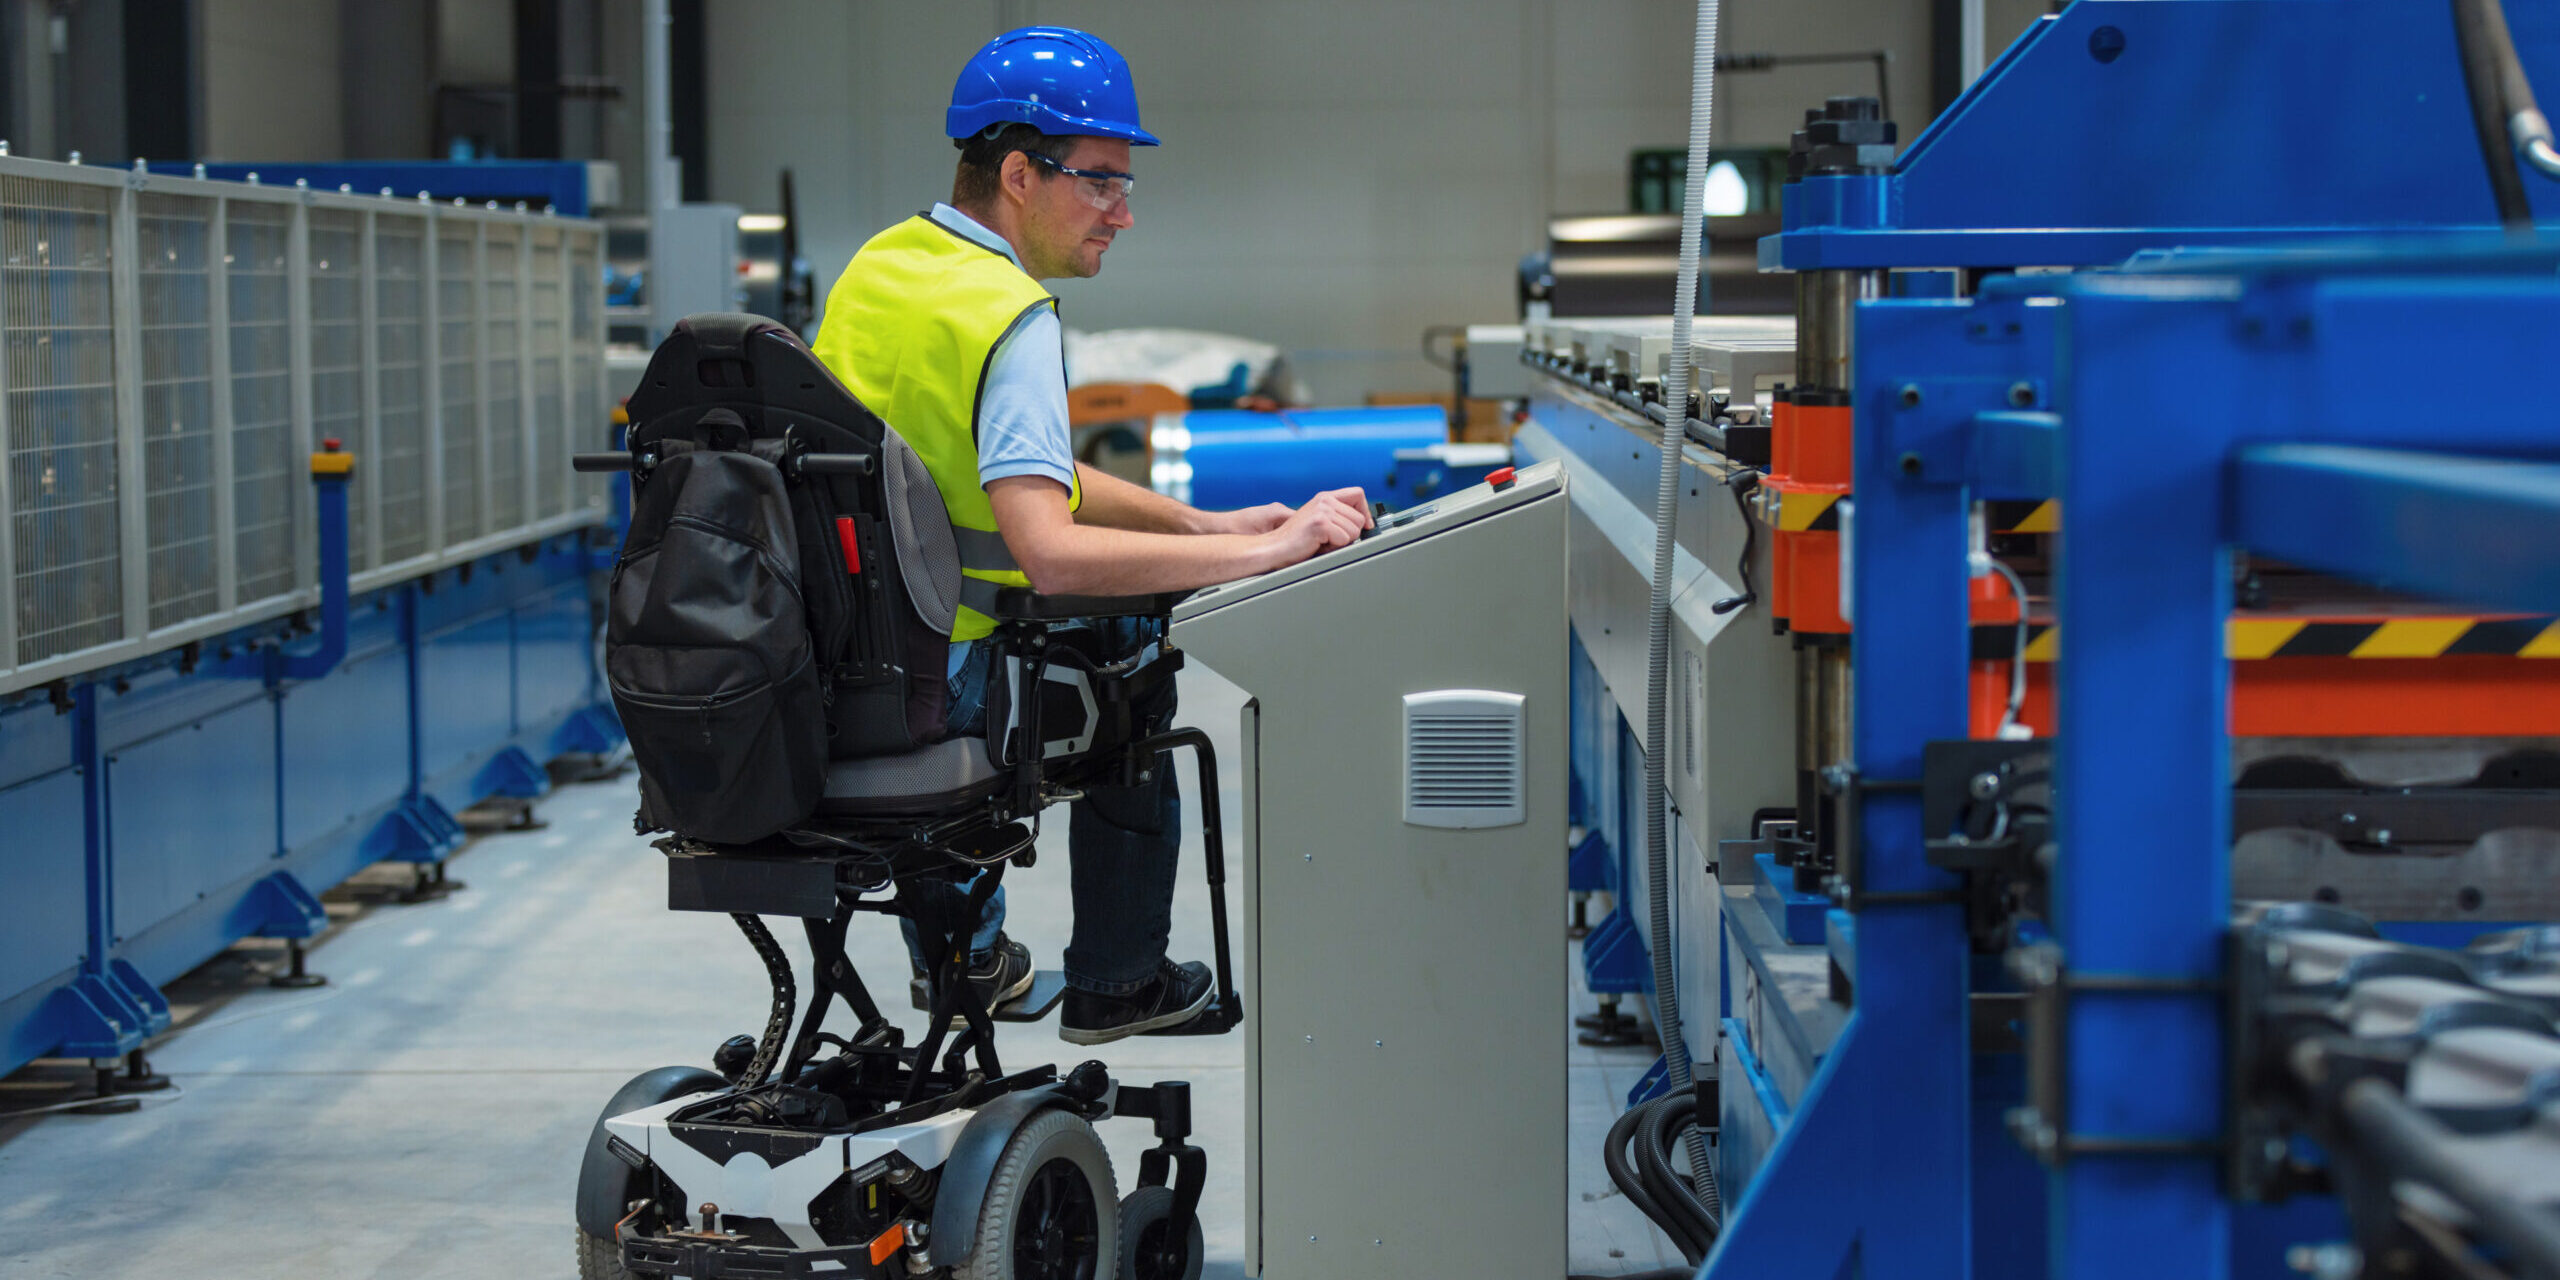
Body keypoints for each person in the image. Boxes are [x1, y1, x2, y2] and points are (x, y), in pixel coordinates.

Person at [810, 25, 1371, 1045]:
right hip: (948, 687)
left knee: (1050, 631)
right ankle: (1120, 977)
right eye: (1101, 181)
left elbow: (1011, 468)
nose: (1123, 210)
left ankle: (963, 959)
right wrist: (1265, 552)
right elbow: (1052, 551)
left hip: (836, 671)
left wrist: (1199, 521)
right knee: (1128, 648)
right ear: (1019, 173)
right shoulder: (1010, 312)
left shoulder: (883, 270)